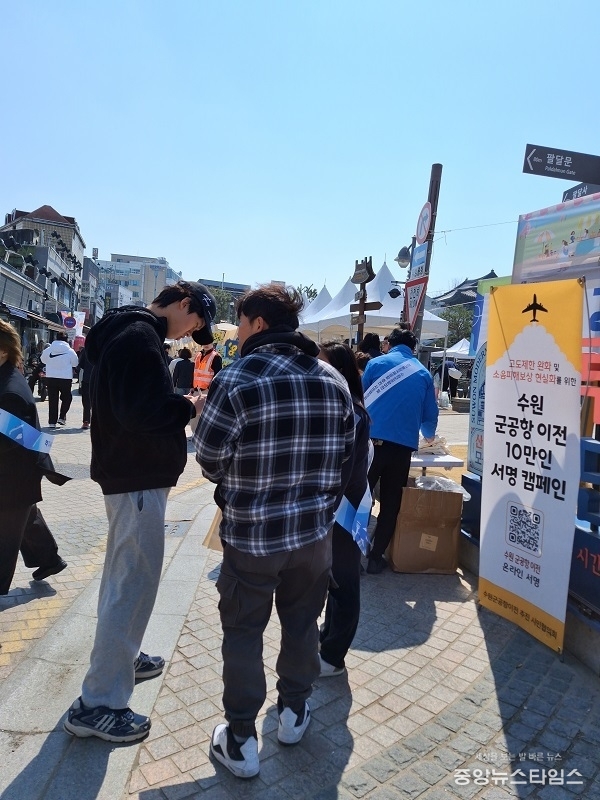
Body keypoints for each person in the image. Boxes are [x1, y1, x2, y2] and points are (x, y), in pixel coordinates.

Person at [194, 284, 355, 779]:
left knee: (244, 630)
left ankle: (241, 738)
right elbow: (347, 455)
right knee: (302, 623)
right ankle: (293, 711)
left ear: (258, 324)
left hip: (252, 536)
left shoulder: (237, 378)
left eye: (241, 323)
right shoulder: (332, 379)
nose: (237, 333)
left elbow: (209, 460)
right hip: (313, 537)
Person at [64, 280, 217, 743]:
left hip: (129, 474)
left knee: (124, 578)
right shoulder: (139, 337)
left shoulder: (127, 330)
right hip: (137, 476)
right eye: (195, 323)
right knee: (131, 584)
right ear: (184, 305)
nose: (190, 333)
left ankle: (122, 659)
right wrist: (186, 407)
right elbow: (141, 412)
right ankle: (99, 703)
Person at [0, 320, 69, 595]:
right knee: (25, 516)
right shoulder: (6, 377)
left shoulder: (10, 391)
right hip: (18, 475)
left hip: (11, 476)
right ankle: (49, 559)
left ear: (3, 350)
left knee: (5, 535)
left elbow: (12, 440)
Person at [362, 327, 438, 574]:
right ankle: (375, 558)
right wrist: (429, 435)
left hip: (371, 444)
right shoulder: (423, 373)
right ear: (413, 348)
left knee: (361, 498)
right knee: (391, 503)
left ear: (390, 344)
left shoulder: (375, 364)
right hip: (402, 448)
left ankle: (351, 555)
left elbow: (360, 399)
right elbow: (430, 416)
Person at [317, 342, 371, 678]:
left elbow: (344, 472)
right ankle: (327, 641)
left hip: (344, 510)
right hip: (334, 508)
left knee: (345, 583)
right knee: (333, 580)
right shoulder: (340, 406)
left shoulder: (353, 412)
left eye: (322, 365)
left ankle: (333, 657)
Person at [41, 332, 79, 428]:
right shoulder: (70, 351)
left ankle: (52, 422)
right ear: (66, 340)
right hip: (65, 378)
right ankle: (62, 417)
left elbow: (43, 360)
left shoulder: (49, 350)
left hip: (51, 377)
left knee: (53, 399)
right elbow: (75, 363)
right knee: (67, 398)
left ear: (56, 338)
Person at [77, 346, 92, 429]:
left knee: (86, 402)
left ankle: (86, 421)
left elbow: (81, 364)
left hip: (87, 378)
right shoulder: (106, 347)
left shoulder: (86, 350)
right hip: (101, 380)